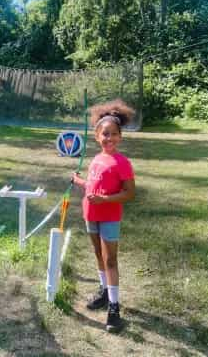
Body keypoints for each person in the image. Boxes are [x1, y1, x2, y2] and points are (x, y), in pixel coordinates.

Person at [72, 99, 136, 333]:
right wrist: (78, 181)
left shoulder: (122, 162)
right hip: (91, 214)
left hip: (109, 215)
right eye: (104, 134)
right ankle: (104, 291)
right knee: (98, 253)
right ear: (96, 137)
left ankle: (114, 308)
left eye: (113, 134)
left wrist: (106, 200)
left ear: (120, 136)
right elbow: (92, 185)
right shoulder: (97, 159)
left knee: (110, 260)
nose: (108, 139)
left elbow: (130, 194)